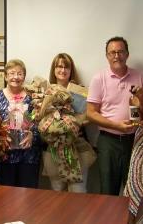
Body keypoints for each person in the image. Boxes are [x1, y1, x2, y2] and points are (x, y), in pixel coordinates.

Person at [86, 36, 143, 195]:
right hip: (108, 141)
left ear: (127, 54)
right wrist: (116, 126)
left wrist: (142, 97)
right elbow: (90, 113)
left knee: (134, 191)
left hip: (135, 140)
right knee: (108, 191)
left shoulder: (140, 76)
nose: (117, 56)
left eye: (120, 52)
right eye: (112, 53)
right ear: (107, 56)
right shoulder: (99, 78)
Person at [43, 53, 95, 193]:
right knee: (57, 192)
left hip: (78, 148)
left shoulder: (81, 91)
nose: (63, 70)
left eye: (67, 67)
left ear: (71, 70)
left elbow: (92, 115)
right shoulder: (45, 91)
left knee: (77, 192)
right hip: (54, 150)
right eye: (59, 66)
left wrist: (77, 122)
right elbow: (38, 119)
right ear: (54, 69)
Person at [0, 59, 41, 188]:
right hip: (5, 156)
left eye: (19, 73)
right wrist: (1, 135)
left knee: (28, 198)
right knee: (6, 197)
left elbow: (40, 121)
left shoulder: (33, 98)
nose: (16, 77)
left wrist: (33, 135)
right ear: (5, 76)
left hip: (29, 156)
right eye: (12, 73)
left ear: (24, 76)